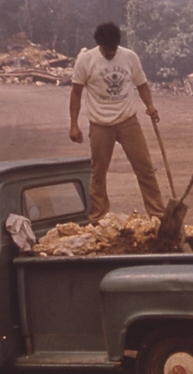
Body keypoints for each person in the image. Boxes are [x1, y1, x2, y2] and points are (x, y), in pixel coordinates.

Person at [70, 22, 166, 224]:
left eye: (113, 49)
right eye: (107, 49)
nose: (111, 53)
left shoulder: (129, 57)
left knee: (145, 168)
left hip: (128, 121)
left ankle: (158, 215)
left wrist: (150, 106)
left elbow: (142, 84)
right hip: (100, 124)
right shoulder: (86, 60)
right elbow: (76, 92)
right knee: (98, 173)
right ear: (99, 44)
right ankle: (98, 218)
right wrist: (74, 124)